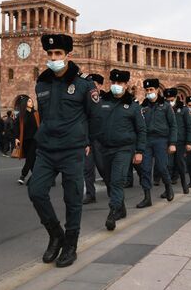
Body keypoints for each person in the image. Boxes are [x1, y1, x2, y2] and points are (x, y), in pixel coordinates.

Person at [27, 34, 100, 268]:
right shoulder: (42, 83)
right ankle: (56, 233)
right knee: (36, 191)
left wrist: (87, 141)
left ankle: (70, 244)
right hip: (46, 150)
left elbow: (94, 116)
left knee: (73, 199)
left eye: (58, 54)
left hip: (72, 150)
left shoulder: (84, 85)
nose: (53, 58)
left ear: (68, 55)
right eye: (49, 54)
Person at [97, 69, 146, 230]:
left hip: (124, 149)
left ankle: (113, 212)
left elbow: (141, 130)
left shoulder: (133, 105)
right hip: (105, 148)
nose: (116, 86)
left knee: (117, 180)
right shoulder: (102, 101)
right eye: (114, 83)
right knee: (110, 181)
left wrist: (139, 151)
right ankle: (121, 207)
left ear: (126, 85)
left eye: (120, 83)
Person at [137, 78, 177, 208]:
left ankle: (168, 187)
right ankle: (147, 197)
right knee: (145, 169)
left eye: (151, 90)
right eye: (147, 90)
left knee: (161, 166)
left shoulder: (165, 106)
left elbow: (173, 125)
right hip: (146, 140)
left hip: (161, 140)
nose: (149, 92)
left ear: (157, 90)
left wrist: (172, 143)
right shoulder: (143, 107)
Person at [83, 73, 108, 204]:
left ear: (99, 85)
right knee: (87, 168)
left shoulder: (106, 99)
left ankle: (112, 189)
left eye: (94, 84)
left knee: (103, 167)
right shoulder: (85, 100)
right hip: (88, 139)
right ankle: (90, 194)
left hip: (101, 139)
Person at [164, 88, 191, 195]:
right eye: (167, 100)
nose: (169, 102)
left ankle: (184, 184)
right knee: (167, 165)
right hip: (168, 141)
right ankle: (167, 189)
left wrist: (189, 142)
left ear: (176, 98)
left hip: (180, 141)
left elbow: (189, 126)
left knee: (180, 164)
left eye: (171, 99)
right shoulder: (164, 108)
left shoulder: (184, 109)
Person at [15, 97, 40, 185]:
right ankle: (38, 175)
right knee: (31, 159)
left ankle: (23, 175)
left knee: (30, 157)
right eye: (29, 101)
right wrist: (16, 138)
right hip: (25, 140)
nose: (31, 102)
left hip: (35, 139)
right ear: (25, 103)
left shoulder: (36, 113)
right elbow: (16, 128)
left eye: (31, 101)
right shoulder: (21, 115)